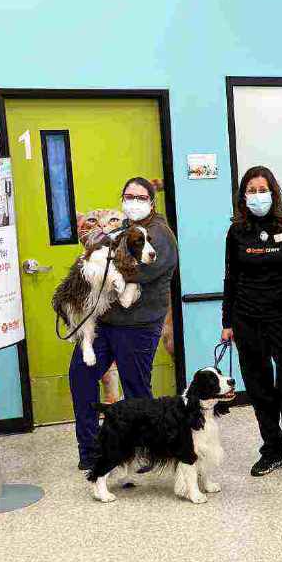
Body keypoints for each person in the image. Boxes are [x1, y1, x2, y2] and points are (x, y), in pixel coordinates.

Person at [70, 177, 179, 470]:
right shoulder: (121, 229)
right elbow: (93, 257)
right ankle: (90, 450)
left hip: (138, 326)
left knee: (136, 390)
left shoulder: (160, 235)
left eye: (140, 197)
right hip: (104, 322)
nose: (133, 201)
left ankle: (145, 451)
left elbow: (135, 271)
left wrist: (99, 264)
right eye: (129, 196)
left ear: (152, 202)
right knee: (81, 376)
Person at [221, 166, 282, 478]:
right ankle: (273, 449)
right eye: (251, 191)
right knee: (259, 389)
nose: (257, 196)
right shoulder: (236, 232)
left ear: (273, 193)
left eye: (262, 190)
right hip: (247, 319)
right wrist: (227, 321)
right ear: (243, 197)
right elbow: (230, 277)